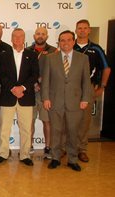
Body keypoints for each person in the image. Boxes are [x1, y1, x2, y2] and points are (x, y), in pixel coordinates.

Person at [42, 30, 92, 172]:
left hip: (76, 102)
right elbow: (46, 80)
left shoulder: (83, 59)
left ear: (73, 41)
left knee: (73, 131)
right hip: (55, 101)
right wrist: (45, 98)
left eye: (68, 40)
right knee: (56, 131)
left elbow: (86, 82)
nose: (65, 43)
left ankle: (72, 159)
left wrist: (85, 99)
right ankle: (55, 158)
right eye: (62, 40)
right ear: (59, 42)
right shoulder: (51, 58)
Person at [0, 28, 39, 166]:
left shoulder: (32, 55)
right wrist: (13, 88)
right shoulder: (3, 55)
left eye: (20, 37)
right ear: (11, 39)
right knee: (4, 127)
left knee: (26, 128)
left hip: (26, 96)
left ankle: (25, 155)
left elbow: (34, 75)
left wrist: (23, 88)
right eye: (15, 36)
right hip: (8, 95)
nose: (18, 39)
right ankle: (3, 153)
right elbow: (2, 75)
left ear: (24, 38)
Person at [74, 19, 111, 163]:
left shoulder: (96, 49)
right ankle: (65, 148)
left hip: (88, 87)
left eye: (85, 28)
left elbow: (106, 68)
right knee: (66, 119)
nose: (82, 30)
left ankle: (81, 150)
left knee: (84, 120)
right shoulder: (70, 46)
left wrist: (102, 86)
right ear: (76, 30)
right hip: (69, 87)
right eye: (79, 28)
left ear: (89, 30)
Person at [26, 27, 57, 159]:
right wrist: (33, 83)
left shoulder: (54, 51)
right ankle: (29, 145)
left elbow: (56, 71)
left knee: (47, 121)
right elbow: (24, 71)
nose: (40, 36)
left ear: (47, 36)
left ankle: (48, 147)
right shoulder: (27, 51)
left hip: (47, 93)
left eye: (43, 34)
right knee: (29, 121)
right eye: (38, 33)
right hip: (31, 91)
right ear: (34, 36)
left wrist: (42, 84)